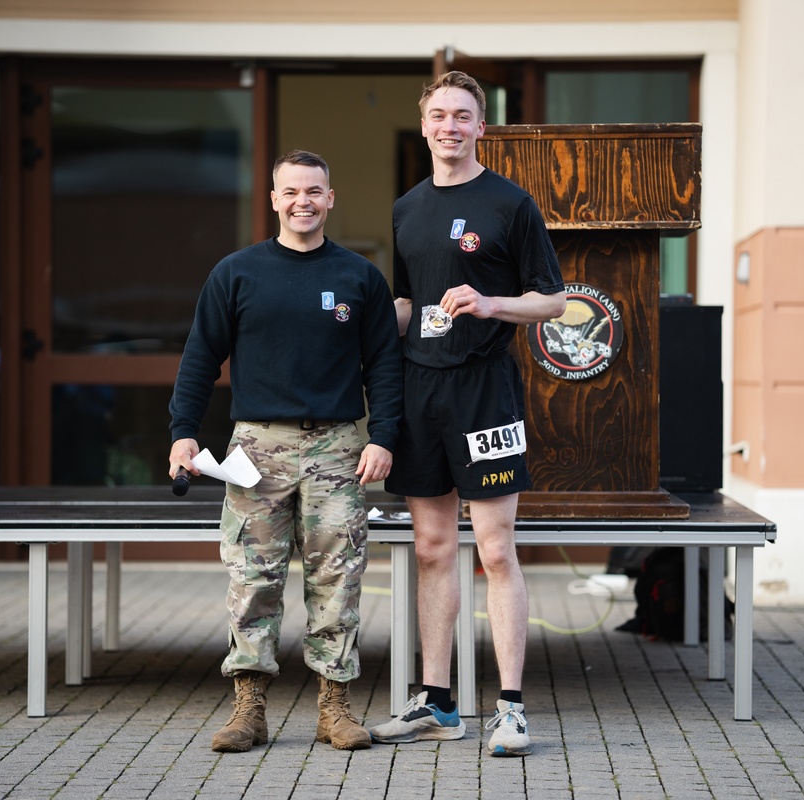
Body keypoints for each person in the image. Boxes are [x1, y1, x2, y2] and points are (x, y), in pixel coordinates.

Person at [169, 149, 403, 753]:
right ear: (274, 199)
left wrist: (384, 437)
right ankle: (248, 708)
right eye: (291, 191)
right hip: (256, 446)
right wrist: (183, 431)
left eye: (315, 191)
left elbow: (384, 366)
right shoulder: (237, 273)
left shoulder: (359, 277)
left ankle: (335, 707)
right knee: (253, 579)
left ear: (331, 198)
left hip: (338, 447)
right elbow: (200, 356)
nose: (303, 201)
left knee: (339, 577)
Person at [368, 72, 566, 757]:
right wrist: (366, 327)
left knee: (495, 549)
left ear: (482, 127)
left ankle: (510, 708)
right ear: (423, 126)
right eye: (438, 116)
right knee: (429, 551)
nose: (449, 126)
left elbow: (553, 301)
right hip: (422, 389)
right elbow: (405, 301)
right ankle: (438, 702)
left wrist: (491, 304)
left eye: (462, 116)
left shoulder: (511, 203)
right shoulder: (406, 208)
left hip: (485, 392)